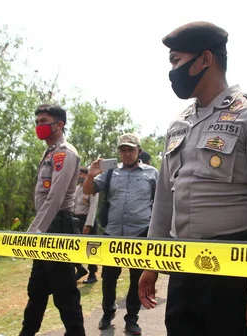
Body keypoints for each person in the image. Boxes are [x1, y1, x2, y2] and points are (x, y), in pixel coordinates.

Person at [138, 22, 247, 336]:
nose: (172, 71)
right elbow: (164, 201)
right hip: (184, 269)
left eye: (177, 61)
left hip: (235, 270)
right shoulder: (179, 123)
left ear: (205, 59)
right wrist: (151, 261)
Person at [83, 133, 158, 335]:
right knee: (108, 277)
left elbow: (162, 203)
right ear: (119, 152)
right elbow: (88, 190)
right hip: (113, 233)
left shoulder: (152, 173)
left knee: (136, 278)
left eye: (131, 150)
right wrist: (91, 174)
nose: (127, 153)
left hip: (140, 233)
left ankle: (132, 318)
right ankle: (108, 313)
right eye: (123, 150)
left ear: (139, 151)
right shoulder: (110, 173)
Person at [20, 104, 85, 336]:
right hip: (47, 227)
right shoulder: (49, 152)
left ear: (59, 124)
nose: (39, 126)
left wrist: (34, 231)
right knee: (36, 291)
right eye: (37, 121)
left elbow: (55, 197)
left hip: (57, 227)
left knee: (64, 294)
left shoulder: (64, 153)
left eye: (44, 121)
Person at [73, 166, 99, 284]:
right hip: (76, 219)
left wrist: (88, 225)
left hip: (88, 220)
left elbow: (93, 207)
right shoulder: (77, 188)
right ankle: (80, 269)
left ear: (86, 175)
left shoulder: (91, 188)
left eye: (81, 175)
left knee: (91, 249)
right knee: (75, 246)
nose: (79, 177)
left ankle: (92, 274)